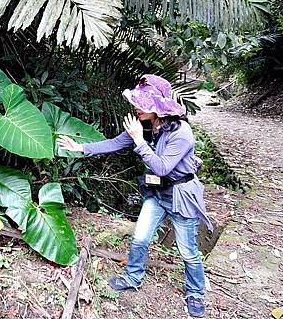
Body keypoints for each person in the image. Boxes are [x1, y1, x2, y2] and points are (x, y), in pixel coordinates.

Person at [57, 74, 211, 318]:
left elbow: (161, 167)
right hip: (158, 193)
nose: (136, 108)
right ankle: (133, 277)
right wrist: (82, 148)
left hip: (182, 196)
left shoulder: (181, 132)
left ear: (157, 107)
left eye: (142, 104)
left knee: (188, 251)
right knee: (140, 238)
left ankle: (195, 293)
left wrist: (139, 140)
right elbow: (115, 143)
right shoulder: (147, 126)